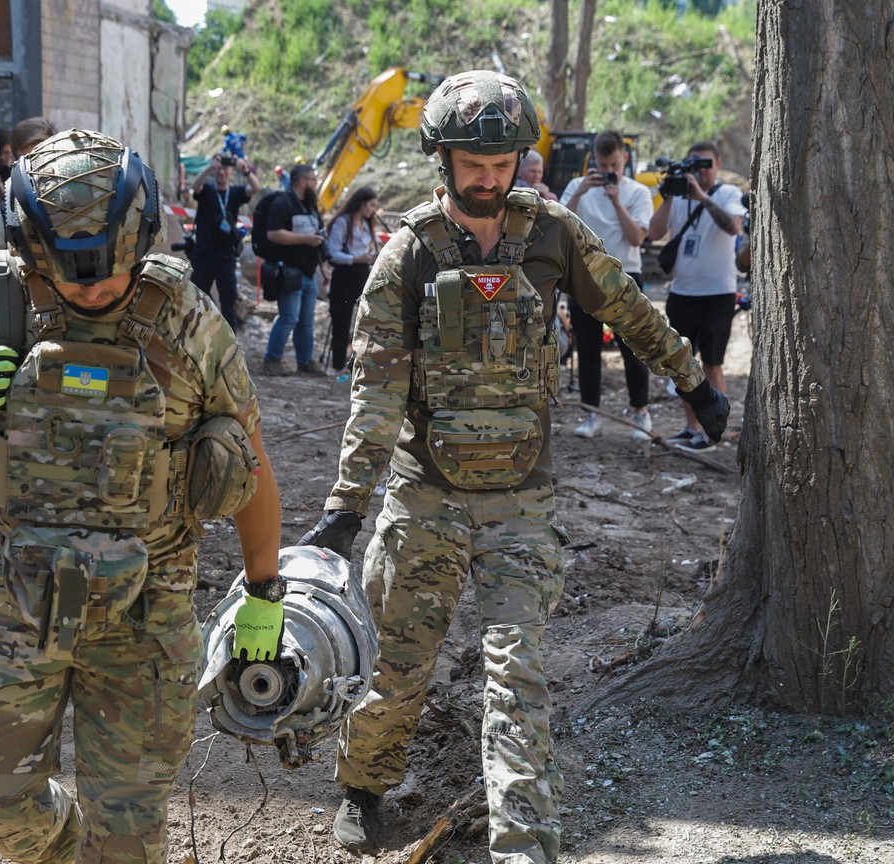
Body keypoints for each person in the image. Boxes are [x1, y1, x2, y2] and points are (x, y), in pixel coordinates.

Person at [297, 71, 729, 862]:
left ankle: (524, 844)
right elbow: (377, 393)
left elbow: (627, 307)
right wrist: (347, 507)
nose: (490, 177)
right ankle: (362, 787)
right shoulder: (408, 255)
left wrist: (693, 382)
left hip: (520, 504)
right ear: (444, 160)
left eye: (503, 162)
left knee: (517, 676)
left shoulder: (553, 234)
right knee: (397, 668)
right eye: (474, 162)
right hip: (424, 495)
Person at [0, 129, 284, 864]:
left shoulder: (187, 322)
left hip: (146, 616)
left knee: (126, 840)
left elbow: (250, 459)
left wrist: (264, 592)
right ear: (34, 250)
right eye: (71, 275)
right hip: (13, 602)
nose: (92, 288)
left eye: (109, 271)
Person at [648, 140, 745, 450]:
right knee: (682, 365)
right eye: (694, 165)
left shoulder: (727, 193)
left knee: (713, 363)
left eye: (706, 164)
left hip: (718, 293)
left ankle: (714, 432)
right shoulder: (677, 197)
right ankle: (692, 429)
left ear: (717, 164)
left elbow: (732, 227)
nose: (700, 171)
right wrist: (667, 197)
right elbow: (653, 233)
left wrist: (701, 196)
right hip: (681, 293)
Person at [559, 130, 655, 440]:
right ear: (594, 162)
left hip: (627, 275)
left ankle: (641, 412)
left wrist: (616, 202)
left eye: (614, 164)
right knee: (588, 349)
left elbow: (637, 238)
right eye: (603, 164)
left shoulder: (638, 192)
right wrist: (580, 193)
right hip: (584, 277)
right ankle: (592, 414)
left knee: (634, 348)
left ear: (624, 159)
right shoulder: (577, 187)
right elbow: (559, 227)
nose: (609, 171)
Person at [260, 162, 327, 376]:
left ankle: (305, 362)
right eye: (314, 180)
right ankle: (272, 360)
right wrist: (305, 239)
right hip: (289, 272)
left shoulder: (309, 205)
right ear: (303, 181)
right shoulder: (282, 202)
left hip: (309, 272)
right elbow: (273, 234)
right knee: (289, 317)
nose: (316, 184)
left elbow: (318, 236)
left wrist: (323, 268)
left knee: (306, 320)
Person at [186, 150, 263, 331]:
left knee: (229, 301)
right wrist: (208, 169)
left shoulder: (235, 192)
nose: (221, 172)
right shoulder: (208, 190)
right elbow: (195, 188)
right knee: (196, 298)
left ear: (230, 171)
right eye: (219, 169)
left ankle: (231, 345)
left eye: (225, 169)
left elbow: (257, 188)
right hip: (203, 254)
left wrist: (245, 170)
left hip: (226, 255)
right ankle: (199, 336)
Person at [0, 116, 57, 251]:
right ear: (15, 164)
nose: (38, 169)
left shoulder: (80, 210)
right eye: (30, 161)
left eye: (43, 158)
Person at [325, 186, 380, 373]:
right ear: (361, 203)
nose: (373, 210)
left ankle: (362, 364)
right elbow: (332, 253)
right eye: (371, 205)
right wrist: (355, 259)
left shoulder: (367, 224)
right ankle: (339, 365)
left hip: (363, 274)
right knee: (341, 320)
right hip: (344, 274)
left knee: (366, 320)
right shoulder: (342, 223)